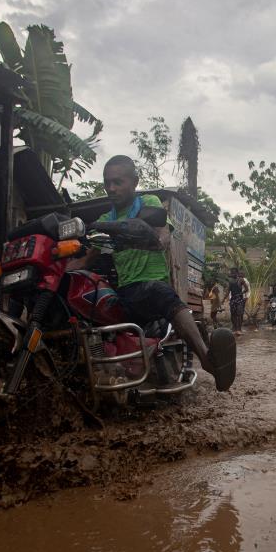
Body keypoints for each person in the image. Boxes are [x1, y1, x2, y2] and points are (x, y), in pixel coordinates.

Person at [94, 155, 235, 390]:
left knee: (158, 291)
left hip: (152, 285)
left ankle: (208, 360)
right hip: (126, 292)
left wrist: (157, 240)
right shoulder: (104, 220)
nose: (111, 188)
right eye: (107, 183)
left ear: (134, 182)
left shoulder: (148, 203)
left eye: (118, 182)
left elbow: (163, 234)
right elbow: (85, 256)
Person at [223, 267, 250, 335]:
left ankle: (239, 329)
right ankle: (234, 328)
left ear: (237, 273)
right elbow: (228, 291)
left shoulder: (241, 280)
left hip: (240, 299)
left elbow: (246, 289)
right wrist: (223, 299)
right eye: (232, 272)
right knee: (233, 314)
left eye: (234, 272)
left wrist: (241, 293)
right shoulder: (230, 281)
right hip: (233, 299)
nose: (233, 274)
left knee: (240, 314)